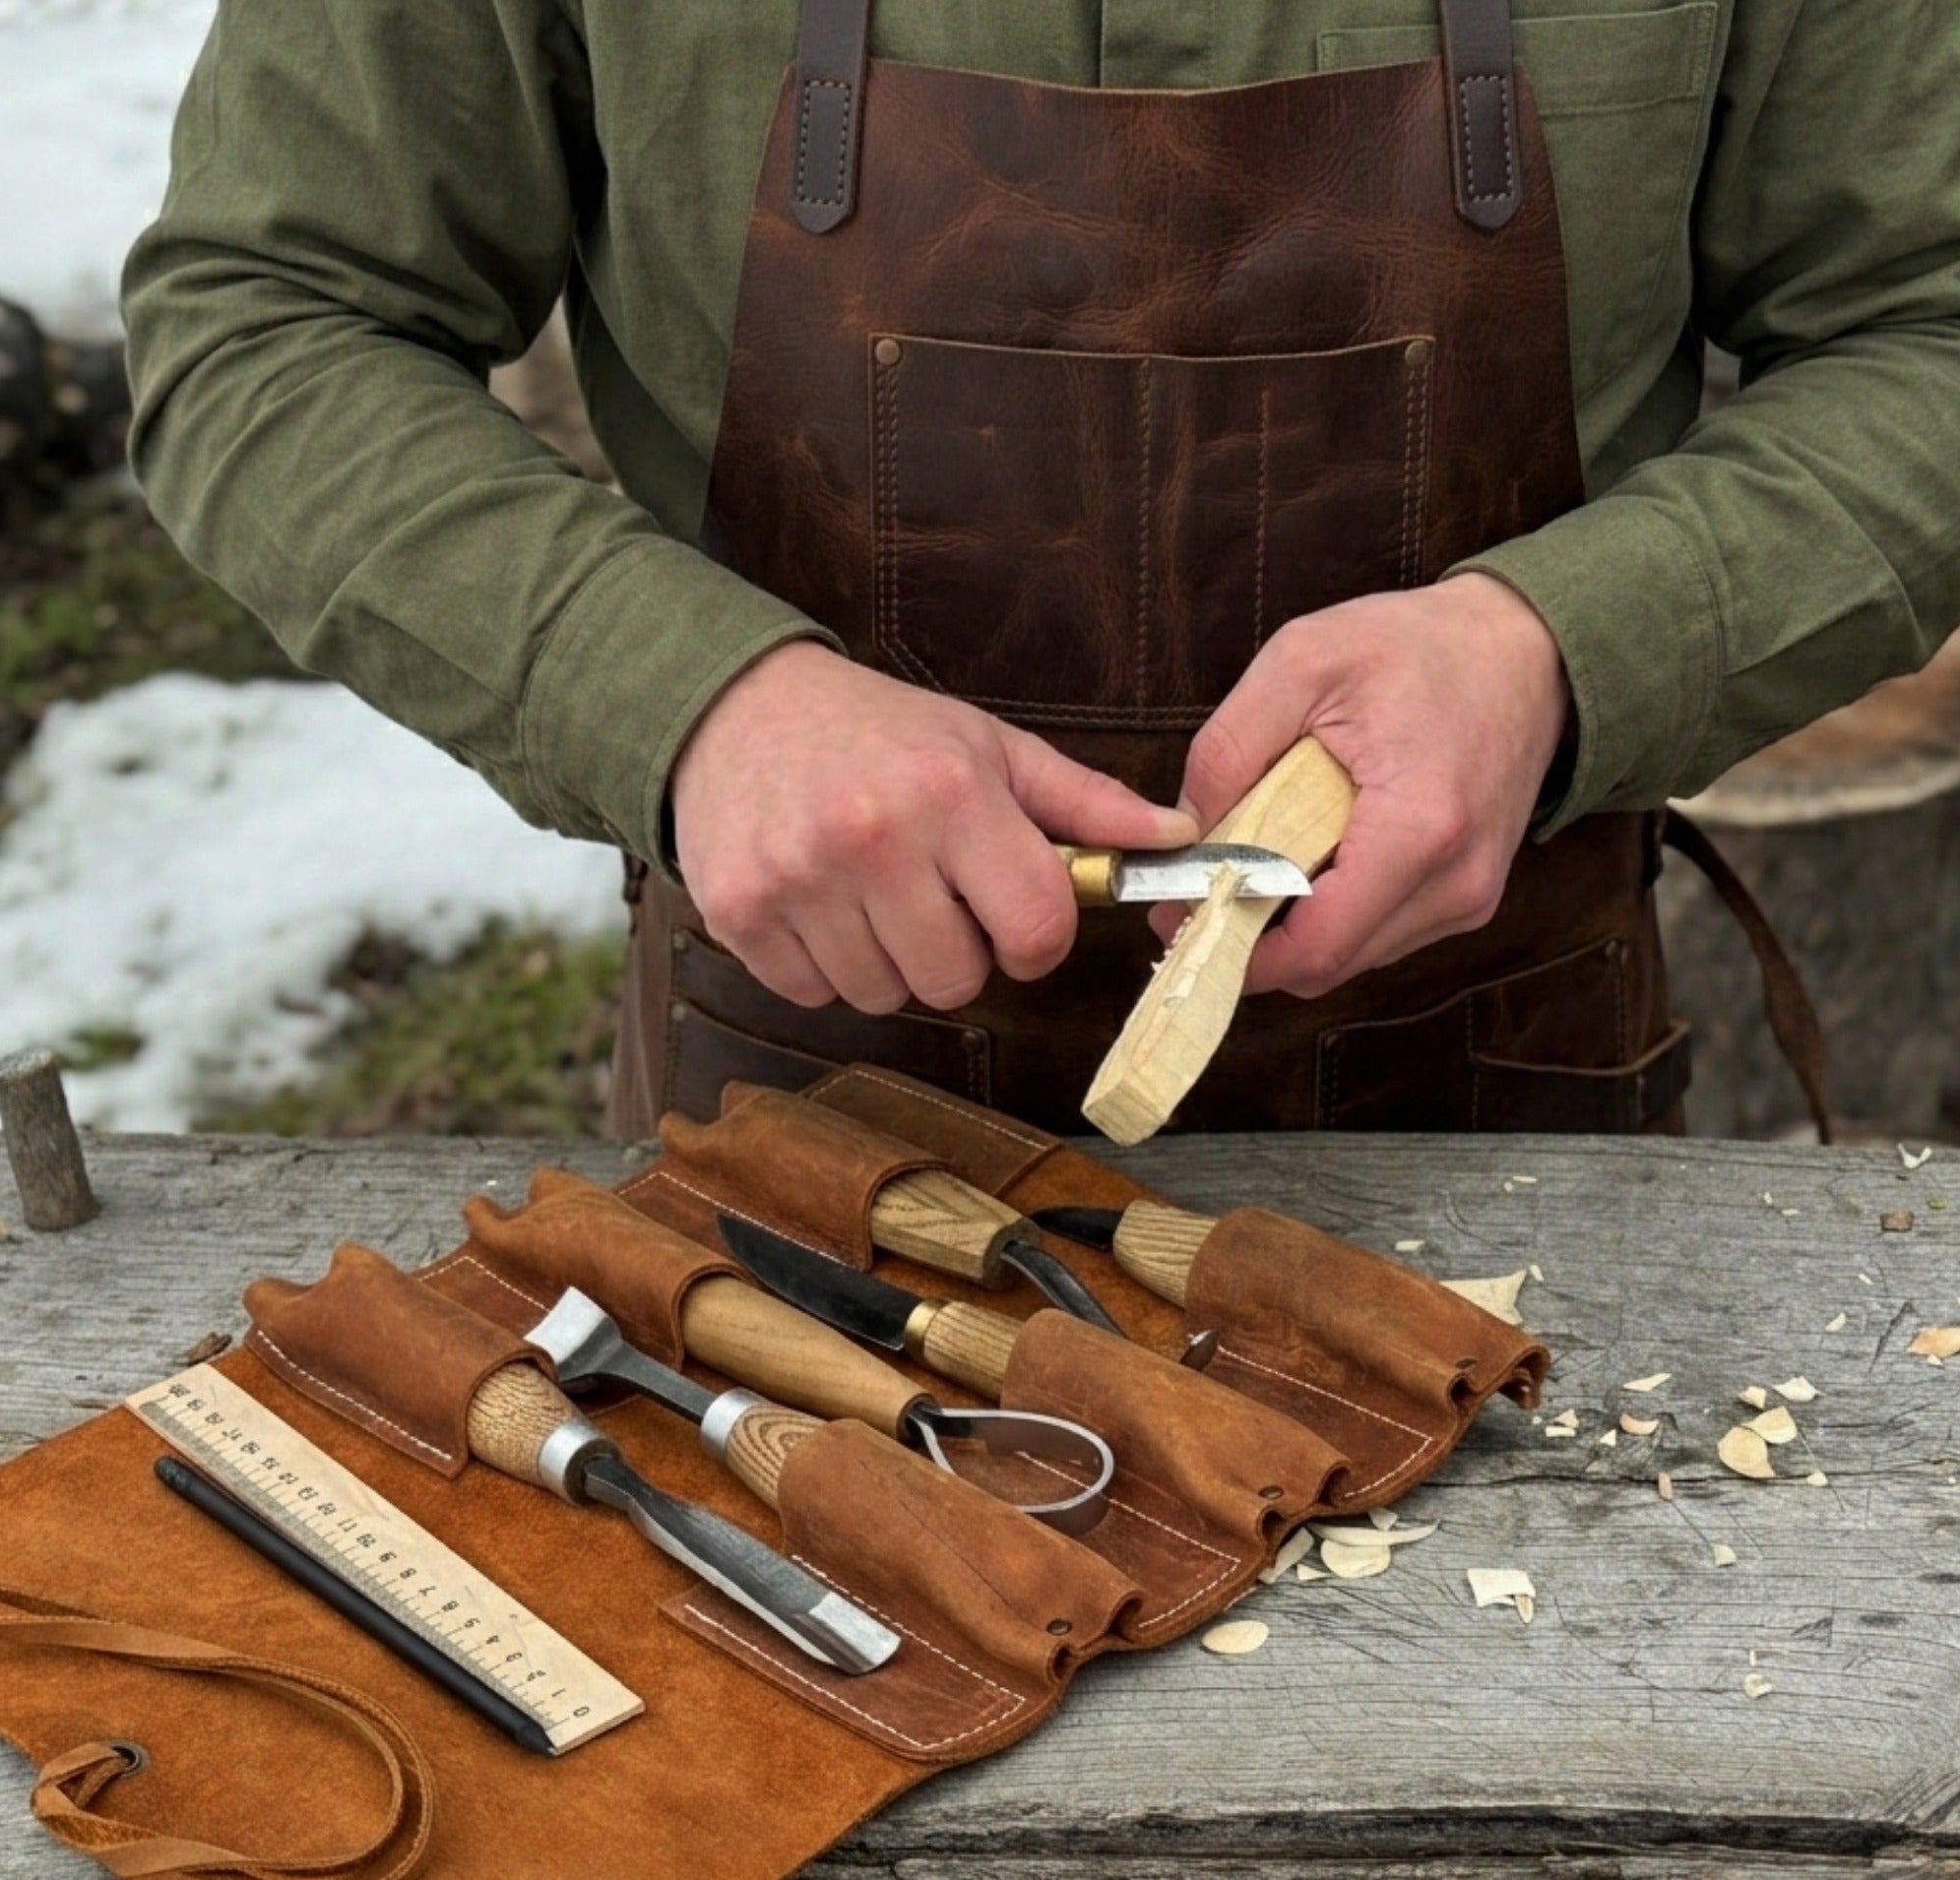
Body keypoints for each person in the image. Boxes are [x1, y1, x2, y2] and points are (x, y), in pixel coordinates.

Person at [122, 1, 1960, 1136]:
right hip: (792, 1134)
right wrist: (677, 696)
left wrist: (1560, 647)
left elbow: (1929, 328)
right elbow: (272, 317)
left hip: (1510, 1079)